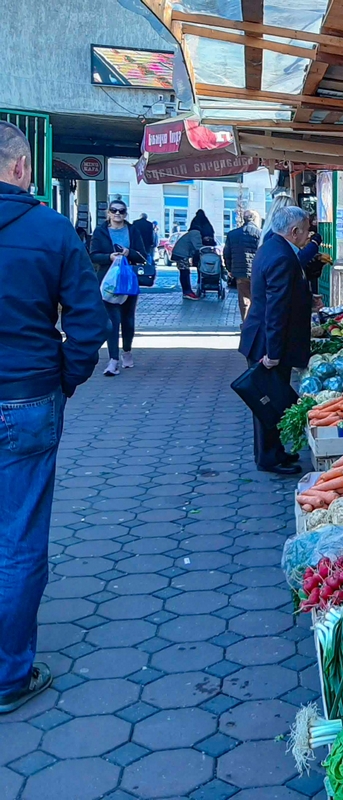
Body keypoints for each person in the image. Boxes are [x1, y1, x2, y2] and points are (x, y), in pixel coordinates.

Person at [0, 122, 108, 714]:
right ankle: (9, 674)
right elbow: (88, 322)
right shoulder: (50, 229)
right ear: (19, 167)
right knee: (17, 536)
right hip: (28, 397)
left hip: (28, 392)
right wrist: (64, 377)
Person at [238, 206, 312, 475]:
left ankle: (274, 452)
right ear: (294, 231)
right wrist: (273, 352)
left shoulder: (270, 246)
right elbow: (275, 309)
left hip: (261, 336)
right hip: (266, 342)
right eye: (305, 230)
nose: (308, 236)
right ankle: (268, 458)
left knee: (269, 399)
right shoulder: (282, 256)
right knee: (267, 401)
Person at [88, 199, 147, 376]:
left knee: (127, 319)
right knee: (112, 321)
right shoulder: (100, 231)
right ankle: (113, 360)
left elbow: (142, 256)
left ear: (126, 213)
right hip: (108, 281)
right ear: (109, 213)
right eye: (114, 210)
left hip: (128, 280)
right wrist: (109, 257)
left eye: (121, 211)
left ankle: (127, 351)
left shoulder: (132, 230)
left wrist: (129, 253)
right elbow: (93, 255)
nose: (118, 214)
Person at [224, 209, 261, 321]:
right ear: (255, 219)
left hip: (240, 272)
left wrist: (230, 269)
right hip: (257, 272)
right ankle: (256, 323)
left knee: (244, 299)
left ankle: (245, 323)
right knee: (258, 298)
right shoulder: (260, 233)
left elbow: (227, 254)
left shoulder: (232, 234)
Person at [171, 225, 204, 300]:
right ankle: (187, 292)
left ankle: (186, 291)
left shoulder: (191, 233)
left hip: (179, 253)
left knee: (184, 272)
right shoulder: (195, 233)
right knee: (184, 272)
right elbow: (198, 246)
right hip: (181, 254)